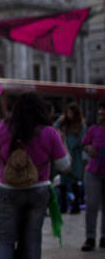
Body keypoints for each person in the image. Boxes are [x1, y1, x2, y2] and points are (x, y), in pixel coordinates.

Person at [0, 92, 71, 259]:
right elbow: (64, 166)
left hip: (8, 189)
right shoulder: (50, 132)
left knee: (6, 240)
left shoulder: (4, 127)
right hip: (38, 190)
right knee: (33, 240)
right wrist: (64, 146)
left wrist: (4, 154)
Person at [80, 98, 105, 252]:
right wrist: (89, 149)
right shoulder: (93, 129)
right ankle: (90, 238)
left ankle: (104, 236)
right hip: (93, 173)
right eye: (100, 110)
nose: (101, 112)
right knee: (92, 206)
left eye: (103, 110)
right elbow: (84, 144)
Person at [53, 102, 86, 214]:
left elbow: (82, 140)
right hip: (65, 154)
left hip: (75, 156)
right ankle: (63, 205)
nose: (69, 115)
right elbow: (54, 127)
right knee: (63, 182)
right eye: (68, 112)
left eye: (71, 113)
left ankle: (75, 205)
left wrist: (71, 146)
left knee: (74, 182)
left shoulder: (80, 126)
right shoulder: (63, 124)